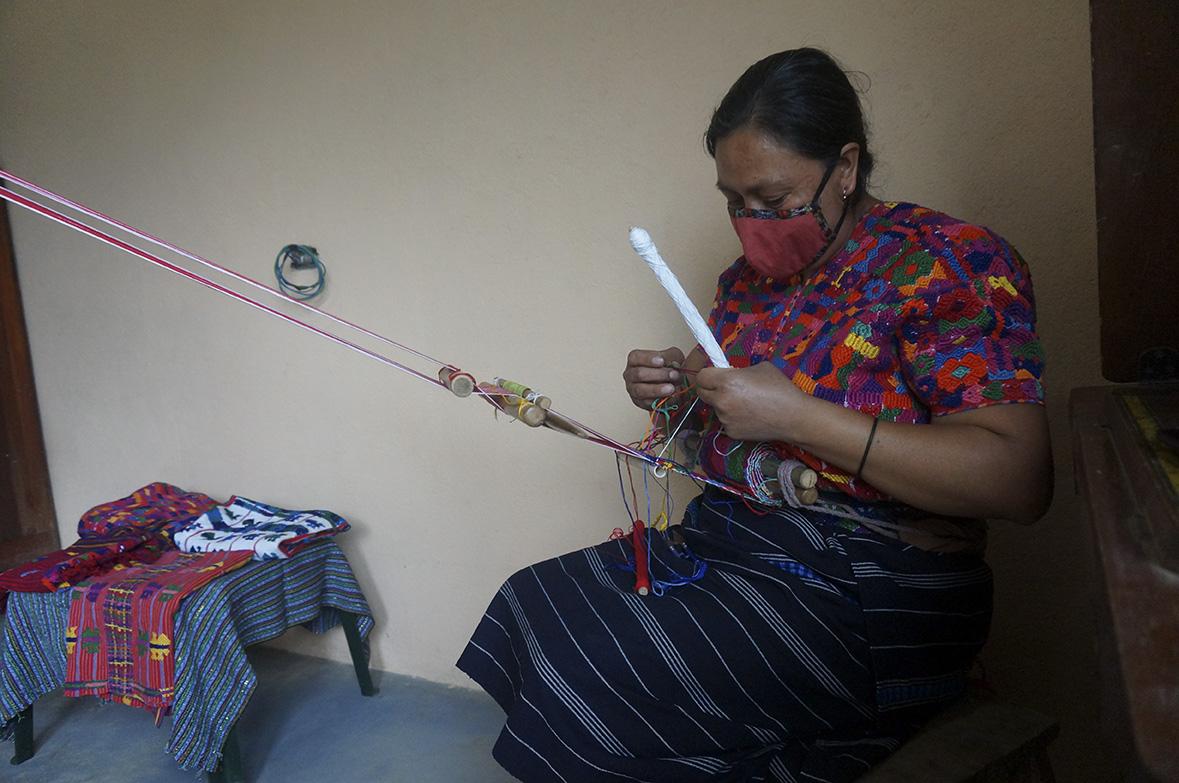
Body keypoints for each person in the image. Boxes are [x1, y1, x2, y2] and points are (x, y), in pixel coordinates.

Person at [458, 47, 1052, 782]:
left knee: (604, 665)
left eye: (772, 200)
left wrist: (798, 416)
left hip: (874, 583)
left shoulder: (946, 263)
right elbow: (723, 429)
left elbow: (1017, 480)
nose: (751, 222)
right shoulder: (744, 284)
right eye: (733, 200)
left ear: (844, 166)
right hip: (739, 542)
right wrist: (676, 393)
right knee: (533, 602)